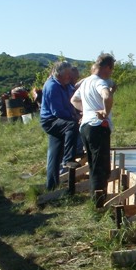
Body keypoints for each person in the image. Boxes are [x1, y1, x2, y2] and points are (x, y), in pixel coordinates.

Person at [71, 53, 116, 207]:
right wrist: (105, 111)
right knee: (100, 167)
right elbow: (106, 95)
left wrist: (86, 111)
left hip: (85, 127)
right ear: (107, 67)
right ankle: (97, 204)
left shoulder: (86, 82)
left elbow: (74, 100)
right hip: (98, 127)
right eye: (111, 70)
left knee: (94, 164)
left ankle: (96, 200)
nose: (111, 73)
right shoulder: (99, 83)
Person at [40, 60, 80, 191]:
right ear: (59, 74)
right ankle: (68, 159)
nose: (70, 77)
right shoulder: (52, 86)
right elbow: (58, 112)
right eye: (68, 75)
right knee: (71, 126)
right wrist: (75, 118)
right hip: (51, 121)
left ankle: (51, 186)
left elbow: (73, 97)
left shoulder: (65, 84)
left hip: (58, 120)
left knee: (54, 153)